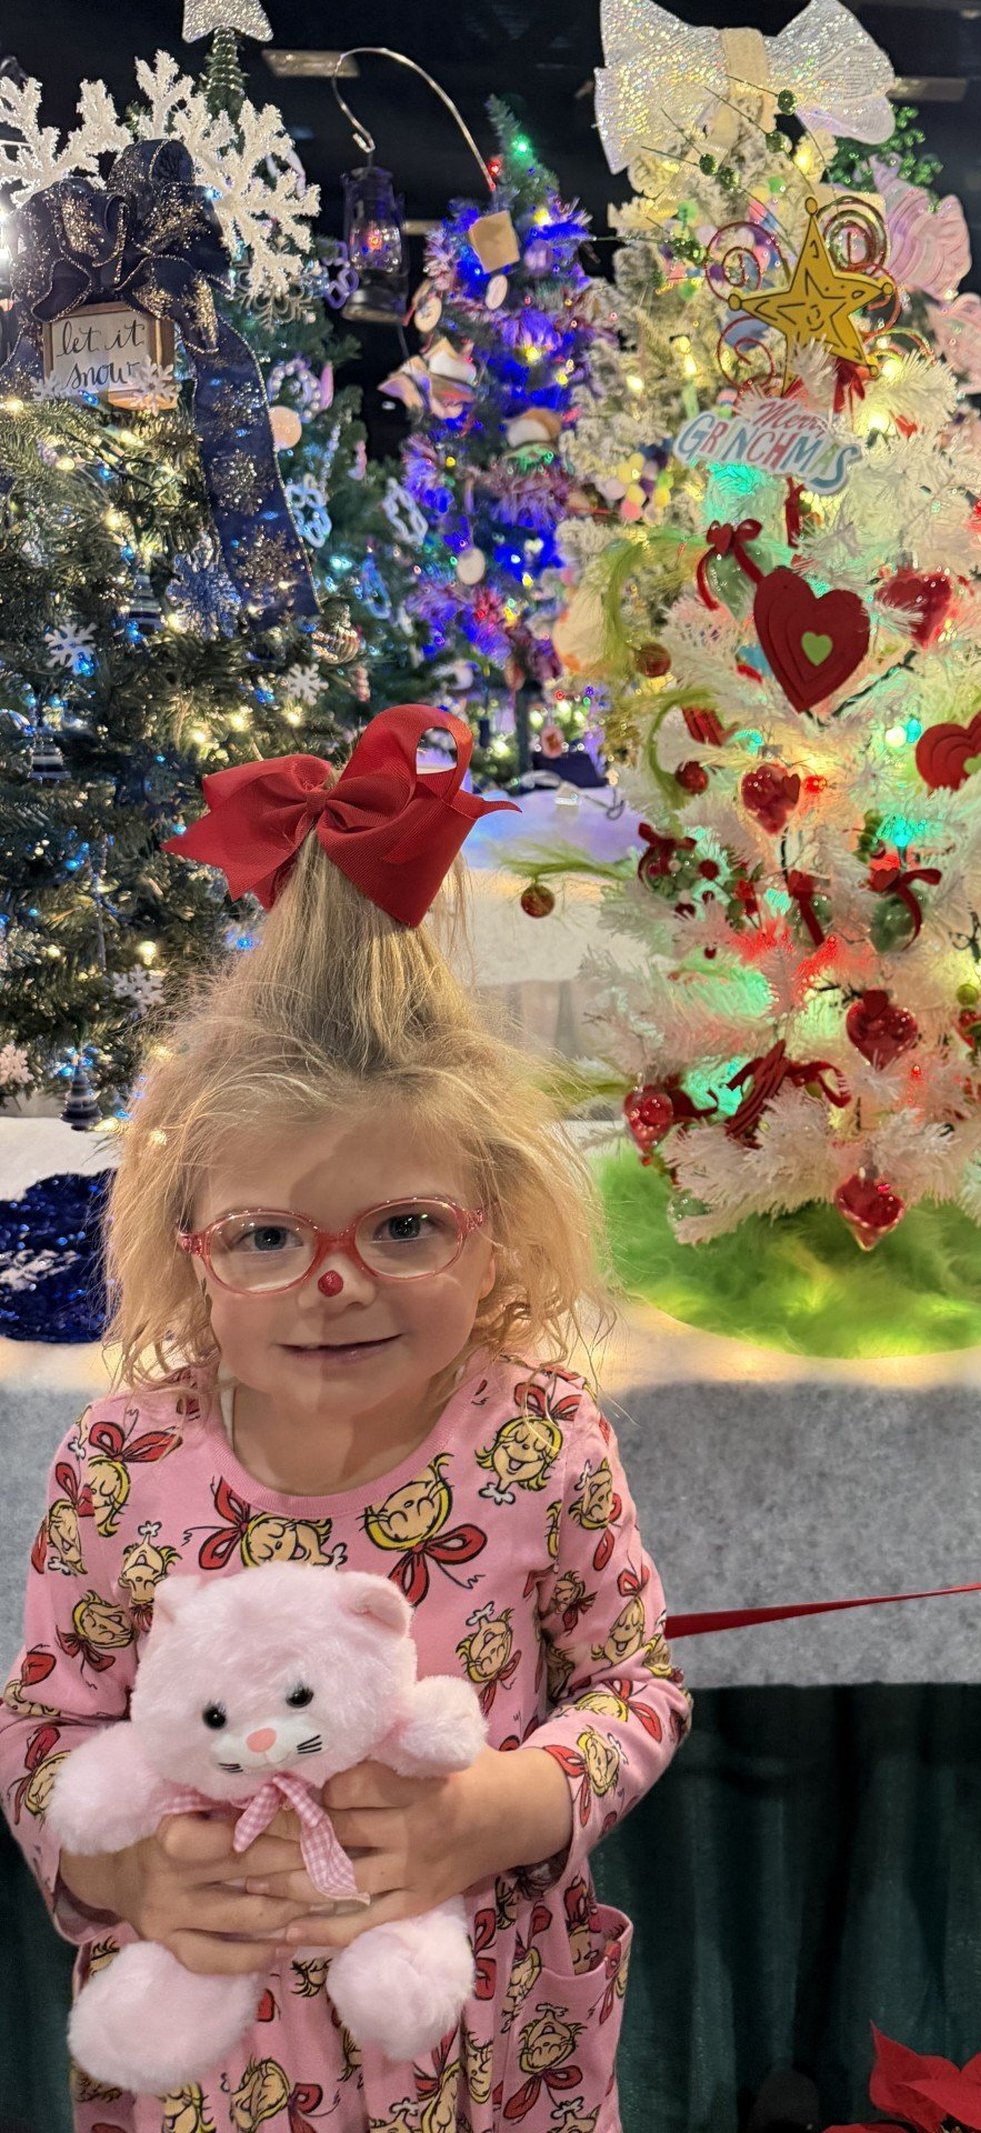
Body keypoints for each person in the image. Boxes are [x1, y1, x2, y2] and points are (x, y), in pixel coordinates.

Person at [0, 705, 690, 2133]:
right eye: (266, 1236)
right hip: (214, 2058)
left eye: (404, 1226)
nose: (333, 1285)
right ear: (186, 1244)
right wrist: (126, 1870)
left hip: (485, 2047)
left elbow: (633, 1686)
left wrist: (502, 1803)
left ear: (495, 1232)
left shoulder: (541, 1440)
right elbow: (46, 1726)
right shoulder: (122, 1464)